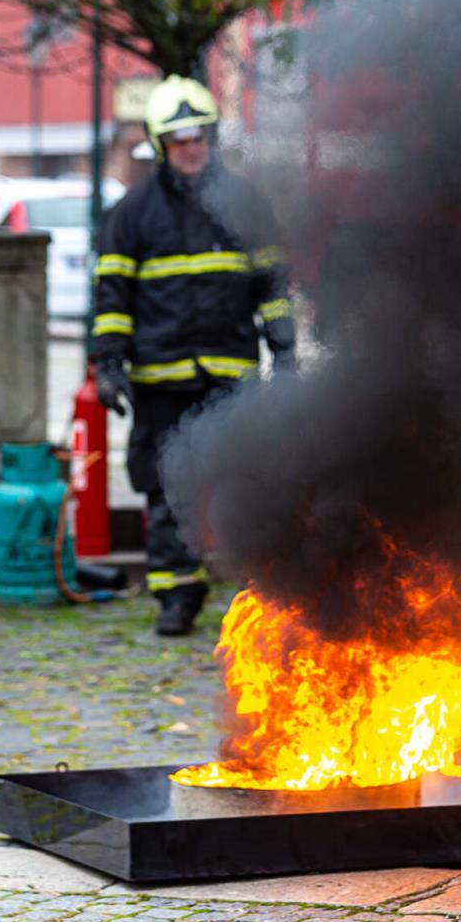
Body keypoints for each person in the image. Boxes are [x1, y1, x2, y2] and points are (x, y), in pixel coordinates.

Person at [91, 74, 296, 636]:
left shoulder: (245, 204)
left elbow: (272, 289)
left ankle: (261, 601)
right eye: (179, 138)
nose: (191, 147)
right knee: (167, 493)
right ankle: (177, 597)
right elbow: (112, 297)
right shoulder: (132, 213)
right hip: (161, 382)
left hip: (231, 376)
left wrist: (286, 354)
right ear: (160, 144)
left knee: (248, 488)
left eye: (199, 135)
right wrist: (108, 364)